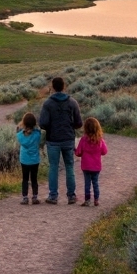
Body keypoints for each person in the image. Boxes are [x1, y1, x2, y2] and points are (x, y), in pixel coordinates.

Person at [37, 76, 83, 205]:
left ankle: (53, 196)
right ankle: (71, 196)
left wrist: (53, 127)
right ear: (64, 86)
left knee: (53, 167)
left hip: (53, 140)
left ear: (53, 87)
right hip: (68, 139)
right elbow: (79, 123)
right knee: (69, 167)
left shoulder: (47, 103)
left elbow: (43, 124)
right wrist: (68, 126)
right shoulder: (72, 102)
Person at [76, 117, 108, 207]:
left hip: (86, 166)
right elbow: (104, 151)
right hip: (96, 166)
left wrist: (75, 150)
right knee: (95, 183)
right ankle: (96, 200)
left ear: (85, 128)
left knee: (87, 183)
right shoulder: (100, 140)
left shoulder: (83, 140)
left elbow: (78, 153)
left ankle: (87, 200)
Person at [16, 112, 42, 205]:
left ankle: (25, 197)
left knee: (25, 179)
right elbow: (39, 130)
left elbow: (18, 131)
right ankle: (35, 197)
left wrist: (20, 126)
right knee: (34, 179)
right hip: (35, 160)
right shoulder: (37, 134)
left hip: (24, 160)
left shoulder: (20, 136)